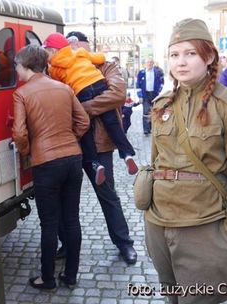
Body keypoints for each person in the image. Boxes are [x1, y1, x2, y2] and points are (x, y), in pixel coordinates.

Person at [145, 18, 227, 303]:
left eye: (190, 53)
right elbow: (155, 164)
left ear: (209, 56)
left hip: (205, 227)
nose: (181, 62)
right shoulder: (162, 105)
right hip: (160, 224)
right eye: (174, 54)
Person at [11, 45, 90, 289]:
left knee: (49, 223)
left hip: (45, 163)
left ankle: (47, 278)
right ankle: (71, 275)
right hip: (73, 159)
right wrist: (70, 139)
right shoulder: (64, 88)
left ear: (24, 66)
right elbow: (84, 121)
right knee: (72, 219)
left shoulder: (22, 94)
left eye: (17, 66)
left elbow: (19, 132)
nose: (16, 70)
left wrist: (28, 150)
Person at [61, 30, 138, 265]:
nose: (76, 51)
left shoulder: (107, 66)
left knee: (107, 194)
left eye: (79, 47)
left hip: (101, 143)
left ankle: (124, 243)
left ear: (87, 48)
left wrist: (81, 107)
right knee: (65, 197)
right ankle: (67, 244)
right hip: (72, 143)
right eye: (71, 47)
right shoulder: (64, 68)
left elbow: (116, 95)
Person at [42, 32, 138, 186]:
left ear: (53, 51)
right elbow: (100, 58)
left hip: (82, 92)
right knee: (112, 123)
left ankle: (95, 163)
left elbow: (61, 87)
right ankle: (127, 154)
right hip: (99, 83)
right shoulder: (80, 53)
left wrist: (80, 108)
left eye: (46, 51)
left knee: (85, 128)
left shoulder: (54, 68)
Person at [136, 58, 164, 135]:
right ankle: (146, 129)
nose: (149, 64)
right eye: (148, 62)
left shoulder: (158, 72)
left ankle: (153, 128)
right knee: (146, 112)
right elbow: (138, 85)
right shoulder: (141, 73)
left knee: (154, 111)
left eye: (151, 62)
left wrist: (159, 91)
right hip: (145, 95)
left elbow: (162, 82)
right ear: (145, 64)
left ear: (153, 63)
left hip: (154, 94)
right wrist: (140, 96)